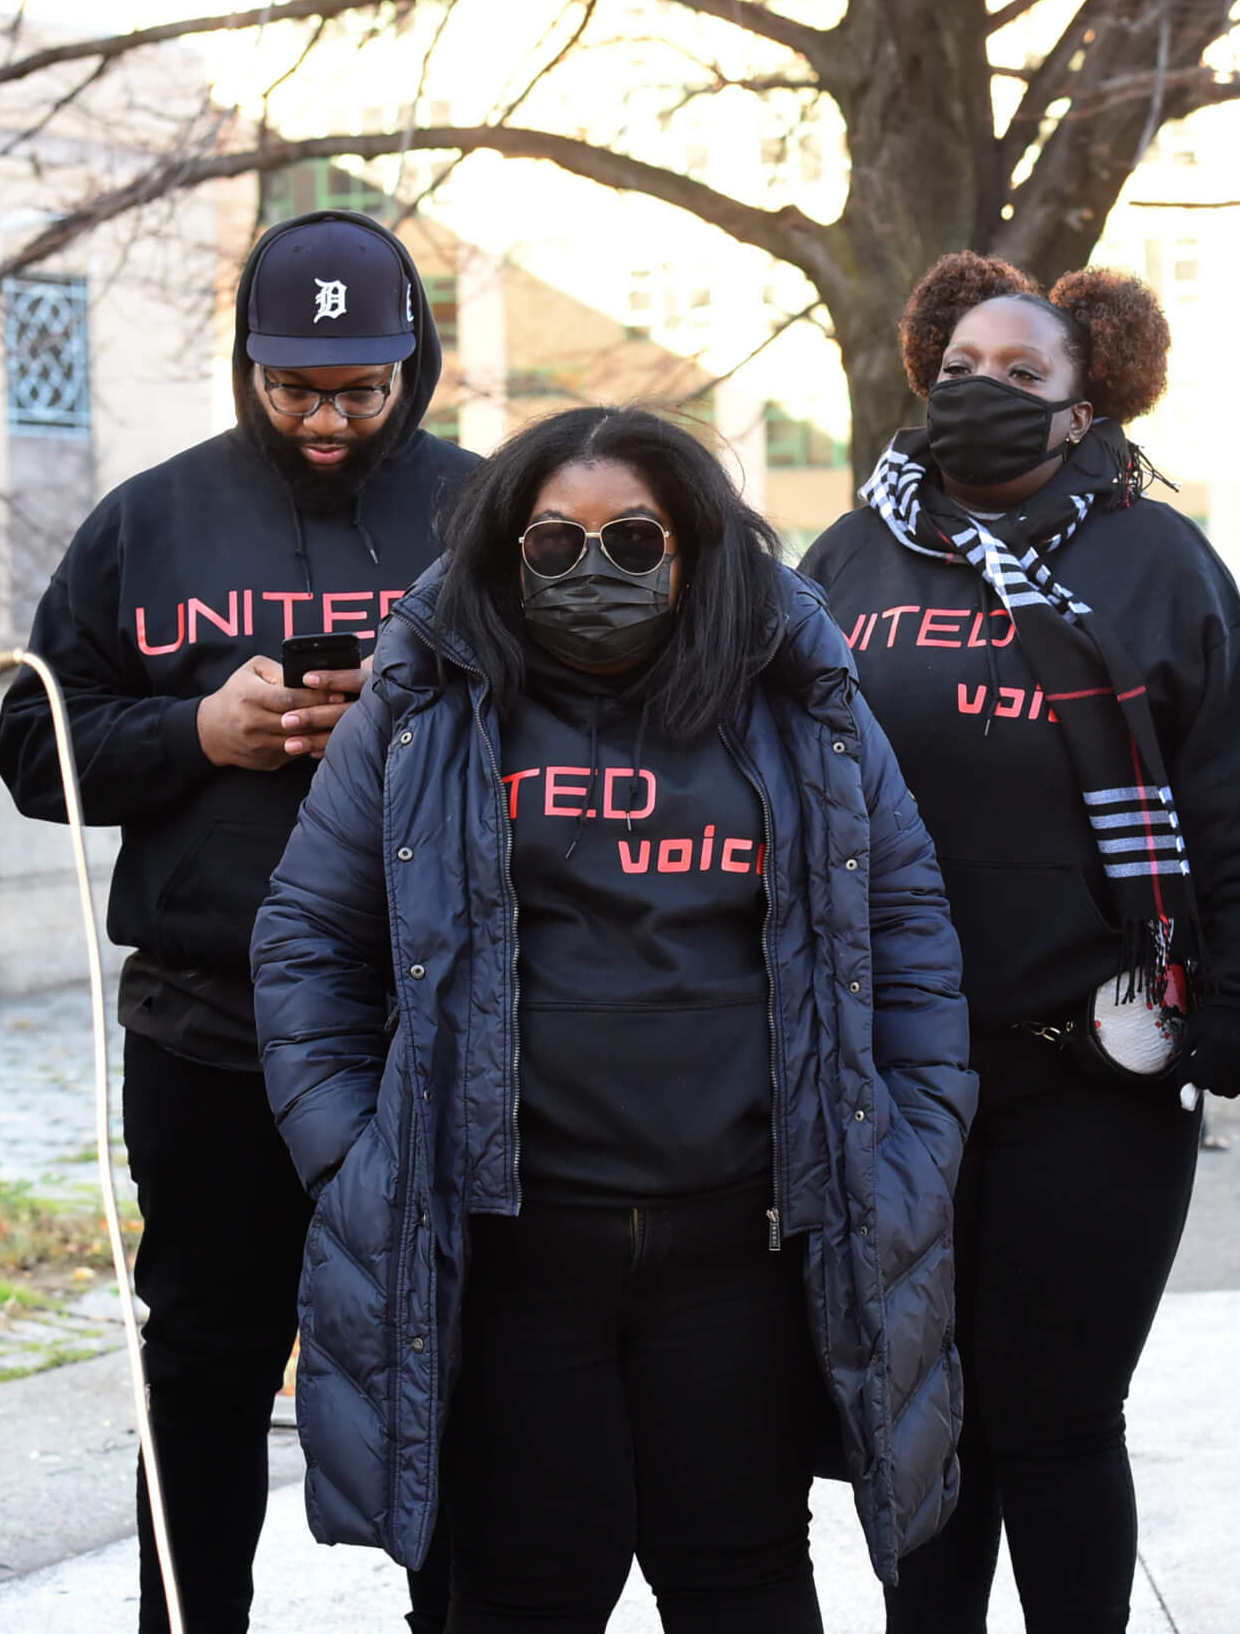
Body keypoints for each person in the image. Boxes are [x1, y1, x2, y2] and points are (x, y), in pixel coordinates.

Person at [252, 405, 974, 1632]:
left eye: (633, 542)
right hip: (514, 1257)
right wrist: (355, 1154)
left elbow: (905, 937)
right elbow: (309, 936)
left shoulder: (795, 696)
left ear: (694, 547)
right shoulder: (426, 699)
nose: (593, 572)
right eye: (553, 546)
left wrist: (909, 1145)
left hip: (740, 1254)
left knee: (741, 1579)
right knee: (525, 1590)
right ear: (504, 553)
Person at [0, 208, 475, 1634]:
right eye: (292, 388)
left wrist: (411, 732)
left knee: (456, 1353)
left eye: (360, 389)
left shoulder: (490, 511)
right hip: (210, 1027)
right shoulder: (150, 518)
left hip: (435, 1022)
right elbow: (32, 740)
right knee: (202, 1359)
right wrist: (199, 729)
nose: (325, 419)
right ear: (244, 364)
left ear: (415, 363)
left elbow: (596, 733)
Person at [798, 254, 1240, 1634]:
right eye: (964, 369)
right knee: (927, 1424)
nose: (986, 394)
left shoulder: (1159, 562)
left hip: (1090, 1071)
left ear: (1089, 406)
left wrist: (1239, 1005)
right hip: (892, 1075)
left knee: (1061, 1419)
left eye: (1026, 375)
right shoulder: (847, 557)